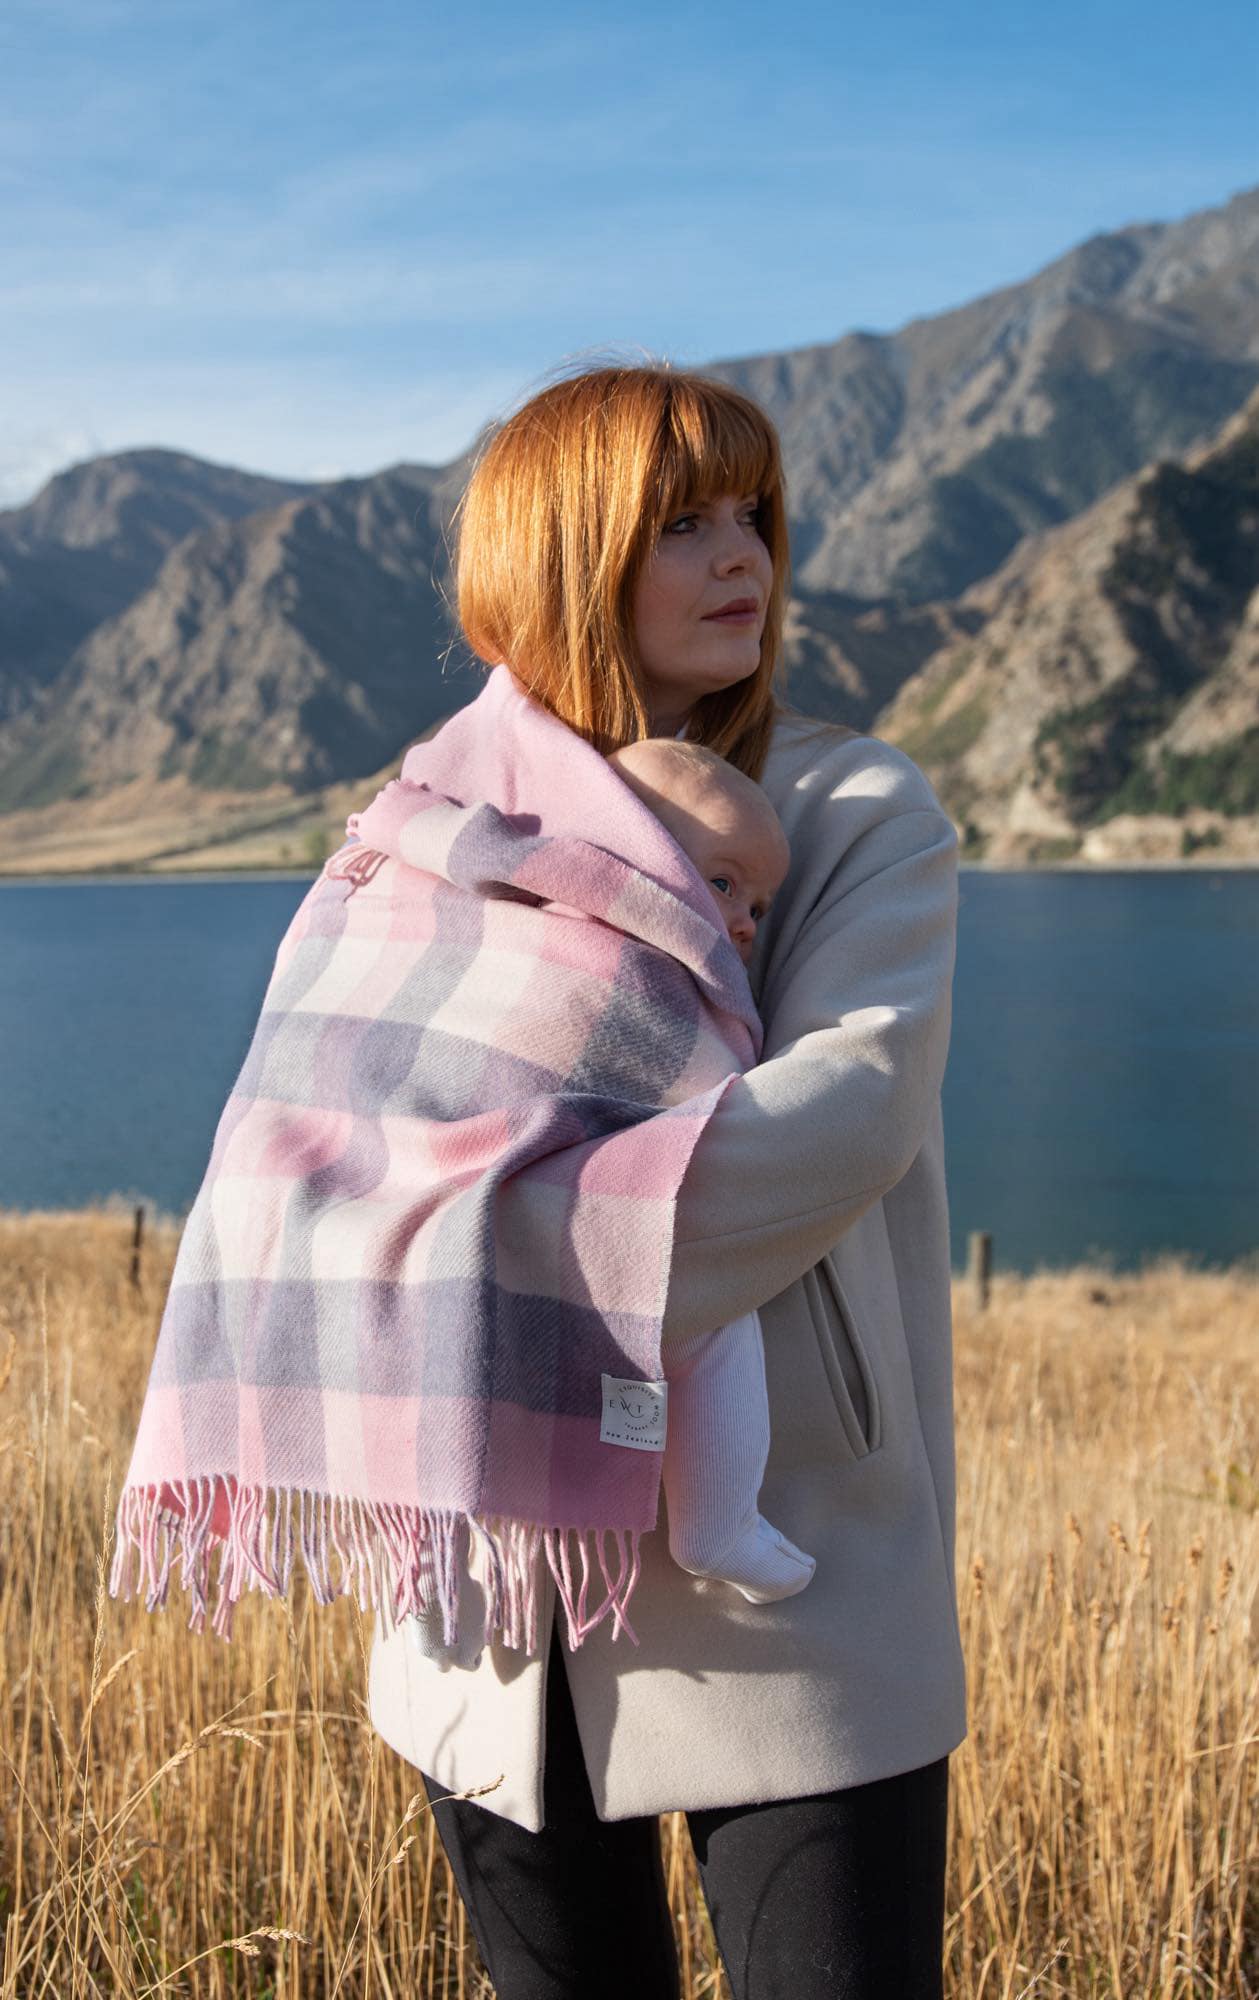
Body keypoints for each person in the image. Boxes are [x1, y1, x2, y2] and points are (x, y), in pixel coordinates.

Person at [366, 361, 967, 1999]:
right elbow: (343, 1125)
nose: (743, 561)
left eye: (754, 519)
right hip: (496, 1575)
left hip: (780, 1548)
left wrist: (470, 1272)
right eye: (681, 522)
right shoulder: (434, 834)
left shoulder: (847, 811)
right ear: (562, 553)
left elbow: (835, 1119)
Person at [405, 740, 813, 1680]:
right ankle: (429, 1582)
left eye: (756, 902)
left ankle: (714, 1524)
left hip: (582, 1209)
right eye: (721, 881)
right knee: (443, 1362)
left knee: (700, 1317)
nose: (745, 922)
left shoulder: (681, 962)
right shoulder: (560, 927)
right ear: (637, 861)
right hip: (489, 1198)